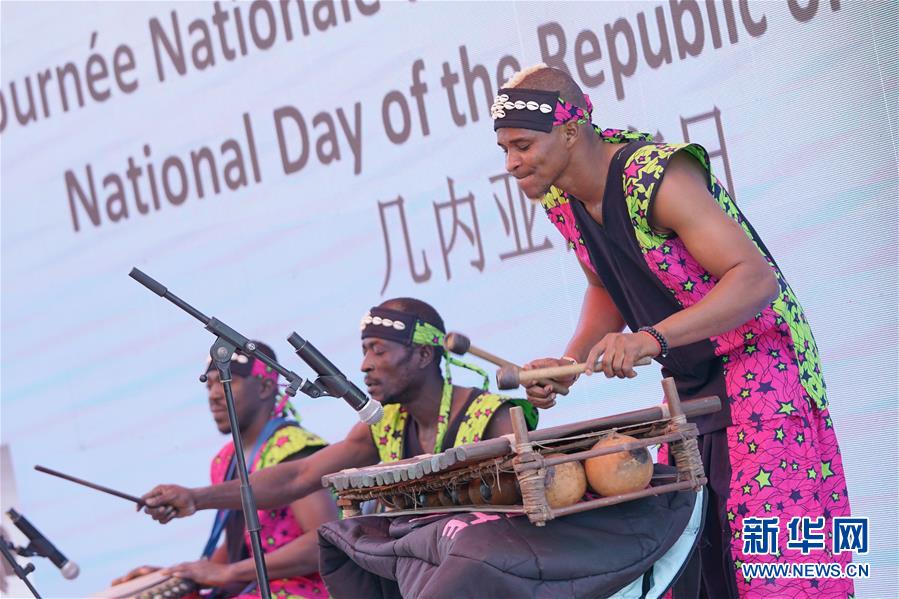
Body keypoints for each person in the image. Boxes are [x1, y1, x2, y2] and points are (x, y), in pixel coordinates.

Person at [493, 64, 852, 598]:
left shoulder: (654, 177)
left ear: (569, 131)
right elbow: (607, 282)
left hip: (763, 376)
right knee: (699, 567)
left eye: (522, 145)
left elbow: (755, 279)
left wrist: (649, 338)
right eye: (504, 149)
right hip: (689, 389)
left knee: (780, 569)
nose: (511, 163)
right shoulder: (561, 199)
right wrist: (570, 362)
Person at [139, 298, 536, 523]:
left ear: (422, 355)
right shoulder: (386, 425)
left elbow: (528, 503)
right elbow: (299, 476)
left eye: (378, 351)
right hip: (427, 565)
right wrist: (196, 498)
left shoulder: (490, 415)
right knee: (347, 542)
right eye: (364, 351)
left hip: (488, 567)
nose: (364, 365)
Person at [114, 342, 335, 598]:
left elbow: (323, 543)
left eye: (225, 381)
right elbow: (238, 547)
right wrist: (173, 575)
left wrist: (231, 573)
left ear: (265, 388)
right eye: (209, 385)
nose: (214, 395)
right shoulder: (225, 460)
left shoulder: (293, 446)